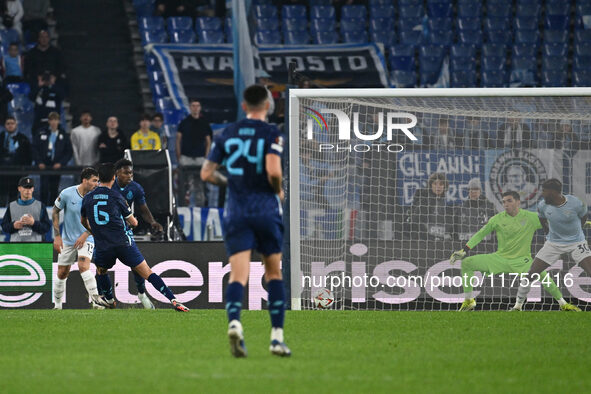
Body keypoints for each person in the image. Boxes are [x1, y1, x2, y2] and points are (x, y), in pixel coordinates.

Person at [200, 84, 290, 358]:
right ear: (267, 105)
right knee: (273, 273)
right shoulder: (272, 133)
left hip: (237, 210)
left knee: (238, 275)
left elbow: (206, 174)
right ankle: (276, 338)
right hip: (265, 209)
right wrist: (278, 189)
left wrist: (230, 182)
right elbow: (273, 170)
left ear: (243, 106)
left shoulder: (227, 133)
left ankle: (235, 323)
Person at [81, 163, 189, 312]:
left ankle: (110, 300)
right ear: (114, 176)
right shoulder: (116, 196)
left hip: (103, 244)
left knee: (101, 271)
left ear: (99, 178)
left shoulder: (88, 198)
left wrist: (95, 231)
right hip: (122, 241)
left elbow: (83, 221)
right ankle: (173, 299)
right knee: (147, 272)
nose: (129, 176)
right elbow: (134, 222)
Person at [449, 191, 578, 312]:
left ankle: (563, 304)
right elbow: (480, 234)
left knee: (543, 276)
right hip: (500, 259)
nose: (506, 204)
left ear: (518, 202)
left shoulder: (530, 217)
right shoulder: (497, 219)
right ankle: (468, 301)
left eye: (509, 201)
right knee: (467, 263)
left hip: (522, 260)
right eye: (504, 202)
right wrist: (464, 250)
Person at [513, 179, 591, 311]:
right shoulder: (543, 205)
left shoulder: (576, 203)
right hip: (553, 244)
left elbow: (583, 217)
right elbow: (542, 218)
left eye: (544, 191)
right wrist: (548, 232)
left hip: (576, 242)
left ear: (554, 192)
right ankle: (517, 306)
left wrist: (577, 231)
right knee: (531, 274)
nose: (542, 194)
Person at [52, 167, 108, 309]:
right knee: (62, 272)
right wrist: (57, 236)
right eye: (94, 180)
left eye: (98, 181)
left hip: (88, 238)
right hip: (68, 240)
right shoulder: (67, 194)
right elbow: (55, 211)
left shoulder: (97, 196)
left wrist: (86, 234)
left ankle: (97, 303)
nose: (97, 184)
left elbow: (98, 219)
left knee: (83, 266)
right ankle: (57, 306)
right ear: (85, 180)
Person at [113, 158, 165, 309]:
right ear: (117, 173)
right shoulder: (108, 186)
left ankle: (141, 293)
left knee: (135, 265)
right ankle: (102, 299)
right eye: (126, 172)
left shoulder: (135, 188)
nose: (130, 175)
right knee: (99, 264)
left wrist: (153, 222)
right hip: (107, 231)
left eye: (131, 173)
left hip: (125, 231)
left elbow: (143, 209)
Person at [177, 99, 212, 206]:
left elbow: (208, 141)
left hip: (200, 158)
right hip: (186, 157)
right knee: (184, 184)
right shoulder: (184, 122)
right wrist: (179, 156)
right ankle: (184, 207)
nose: (195, 108)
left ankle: (201, 208)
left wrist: (206, 157)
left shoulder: (204, 123)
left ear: (200, 108)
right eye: (193, 105)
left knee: (201, 185)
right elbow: (178, 140)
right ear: (190, 107)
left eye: (197, 105)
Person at [33, 111, 72, 206]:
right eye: (52, 120)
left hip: (56, 166)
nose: (54, 122)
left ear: (59, 121)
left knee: (54, 189)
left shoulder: (64, 135)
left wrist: (61, 163)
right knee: (44, 188)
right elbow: (34, 149)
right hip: (44, 165)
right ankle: (43, 209)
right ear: (49, 121)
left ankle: (53, 210)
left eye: (56, 120)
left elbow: (69, 152)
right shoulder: (41, 132)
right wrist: (39, 162)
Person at [1, 177, 51, 241]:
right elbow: (4, 226)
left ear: (33, 189)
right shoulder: (11, 206)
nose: (28, 190)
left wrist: (34, 223)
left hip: (35, 246)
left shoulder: (40, 206)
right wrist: (13, 226)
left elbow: (47, 227)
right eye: (25, 187)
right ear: (19, 188)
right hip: (16, 246)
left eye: (30, 188)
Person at [408, 172, 453, 240]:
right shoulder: (424, 201)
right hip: (424, 242)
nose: (438, 187)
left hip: (439, 241)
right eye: (435, 184)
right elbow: (416, 222)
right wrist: (431, 237)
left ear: (445, 187)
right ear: (430, 186)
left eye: (441, 184)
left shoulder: (443, 203)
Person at [0, 116, 32, 206]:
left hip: (16, 174)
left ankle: (13, 218)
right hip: (2, 174)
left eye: (12, 123)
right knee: (1, 198)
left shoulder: (23, 139)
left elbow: (28, 156)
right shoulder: (1, 138)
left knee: (14, 198)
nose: (10, 125)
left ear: (16, 125)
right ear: (5, 125)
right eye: (8, 124)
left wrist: (25, 172)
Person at [454, 178, 496, 242]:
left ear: (480, 191)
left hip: (485, 245)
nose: (473, 192)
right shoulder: (461, 208)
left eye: (476, 189)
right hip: (465, 245)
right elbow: (455, 228)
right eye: (471, 189)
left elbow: (495, 227)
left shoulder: (489, 207)